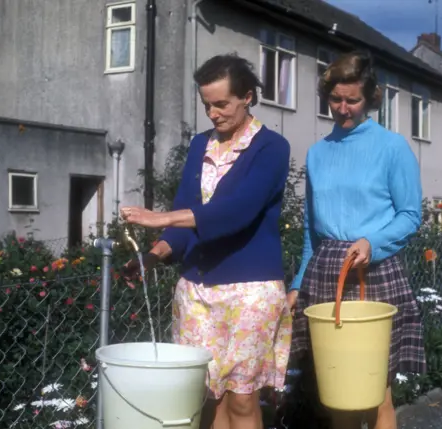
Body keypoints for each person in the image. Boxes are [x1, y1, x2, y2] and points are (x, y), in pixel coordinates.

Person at [120, 54, 292, 429]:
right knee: (207, 397)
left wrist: (159, 217)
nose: (213, 114)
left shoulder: (272, 148)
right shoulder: (200, 145)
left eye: (221, 104)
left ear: (247, 97)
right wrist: (153, 255)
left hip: (251, 290)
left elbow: (238, 211)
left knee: (243, 400)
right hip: (197, 292)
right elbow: (187, 215)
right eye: (206, 105)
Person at [286, 51, 426, 429]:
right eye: (335, 99)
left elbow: (411, 215)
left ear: (371, 99)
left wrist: (372, 242)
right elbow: (311, 232)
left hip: (374, 272)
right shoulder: (317, 154)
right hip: (325, 275)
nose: (343, 108)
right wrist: (298, 283)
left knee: (376, 393)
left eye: (353, 100)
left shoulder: (392, 147)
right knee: (338, 395)